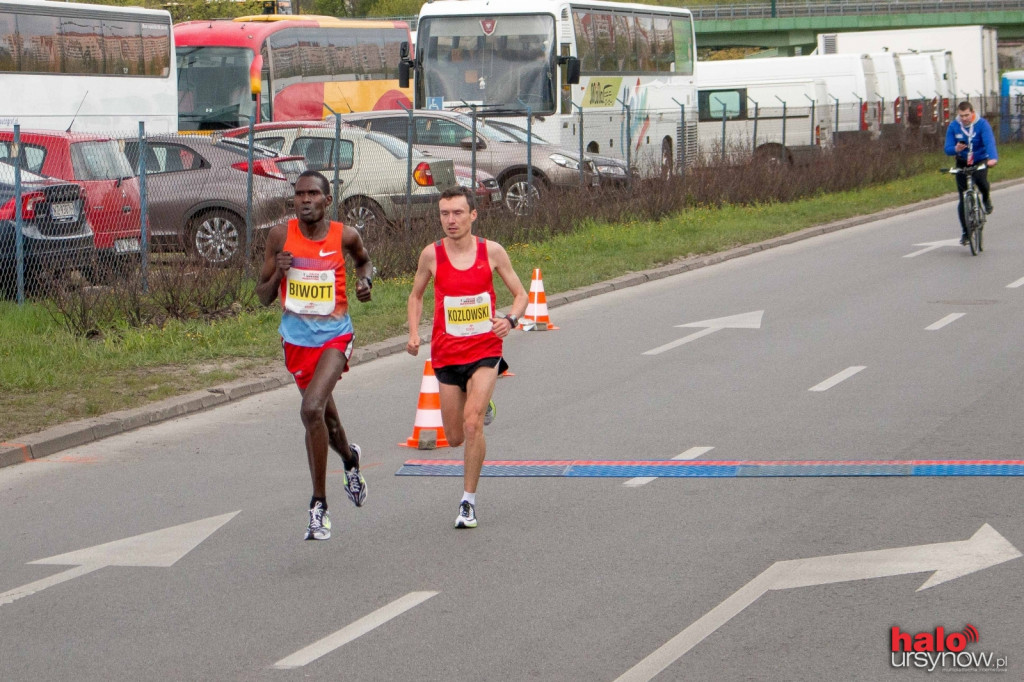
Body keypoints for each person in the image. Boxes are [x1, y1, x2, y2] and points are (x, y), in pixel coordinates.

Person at [256, 170, 373, 541]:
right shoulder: (280, 236)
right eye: (299, 194)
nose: (305, 200)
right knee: (328, 423)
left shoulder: (345, 236)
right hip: (296, 341)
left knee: (310, 410)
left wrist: (365, 281)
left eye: (312, 194)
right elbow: (262, 295)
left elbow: (364, 261)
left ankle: (318, 506)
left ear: (326, 200)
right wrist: (279, 273)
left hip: (336, 337)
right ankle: (350, 460)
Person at [406, 186, 528, 529]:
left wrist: (510, 319)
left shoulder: (492, 251)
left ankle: (467, 502)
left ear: (473, 215)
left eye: (458, 213)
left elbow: (520, 294)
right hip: (446, 354)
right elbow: (415, 296)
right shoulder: (431, 255)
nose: (451, 220)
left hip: (485, 349)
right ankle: (483, 403)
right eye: (445, 214)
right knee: (456, 435)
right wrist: (414, 332)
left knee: (472, 423)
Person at [944, 100, 998, 244]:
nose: (964, 118)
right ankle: (966, 232)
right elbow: (947, 148)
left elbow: (989, 142)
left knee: (982, 183)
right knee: (963, 197)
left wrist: (992, 158)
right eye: (961, 115)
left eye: (967, 115)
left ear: (972, 113)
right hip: (962, 162)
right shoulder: (954, 127)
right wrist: (955, 149)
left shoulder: (982, 125)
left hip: (979, 160)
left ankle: (986, 198)